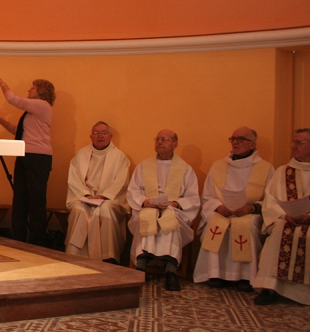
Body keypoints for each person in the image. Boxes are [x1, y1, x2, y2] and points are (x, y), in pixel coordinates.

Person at [193, 127, 273, 291]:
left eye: (241, 139)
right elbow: (208, 195)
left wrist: (252, 207)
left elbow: (271, 199)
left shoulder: (266, 168)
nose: (236, 142)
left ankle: (245, 276)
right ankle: (215, 273)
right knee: (214, 224)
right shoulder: (218, 166)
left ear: (252, 144)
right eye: (233, 138)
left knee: (247, 225)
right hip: (223, 211)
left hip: (250, 213)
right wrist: (217, 206)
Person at [127, 129, 200, 291]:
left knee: (170, 217)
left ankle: (171, 271)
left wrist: (176, 203)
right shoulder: (143, 166)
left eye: (164, 139)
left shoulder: (185, 169)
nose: (159, 142)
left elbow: (193, 198)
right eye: (157, 139)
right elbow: (133, 190)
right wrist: (144, 201)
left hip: (173, 209)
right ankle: (141, 266)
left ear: (175, 144)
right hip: (149, 207)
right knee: (148, 215)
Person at [0, 75, 54, 245]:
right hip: (26, 156)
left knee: (36, 201)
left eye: (32, 87)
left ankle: (37, 242)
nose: (29, 90)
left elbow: (12, 99)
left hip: (38, 158)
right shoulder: (33, 112)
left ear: (41, 91)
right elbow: (17, 130)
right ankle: (19, 240)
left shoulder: (42, 105)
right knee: (20, 199)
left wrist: (2, 82)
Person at [252, 128, 310, 305]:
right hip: (286, 219)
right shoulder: (282, 172)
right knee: (278, 230)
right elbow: (270, 201)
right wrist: (285, 216)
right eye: (293, 142)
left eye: (299, 142)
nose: (294, 146)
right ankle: (269, 287)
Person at [65, 121, 130, 264]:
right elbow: (73, 179)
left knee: (105, 209)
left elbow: (121, 182)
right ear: (91, 136)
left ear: (110, 136)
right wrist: (86, 195)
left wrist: (104, 196)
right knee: (78, 209)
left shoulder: (120, 157)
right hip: (85, 197)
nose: (100, 136)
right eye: (96, 133)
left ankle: (108, 256)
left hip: (109, 199)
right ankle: (75, 256)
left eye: (104, 133)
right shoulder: (81, 154)